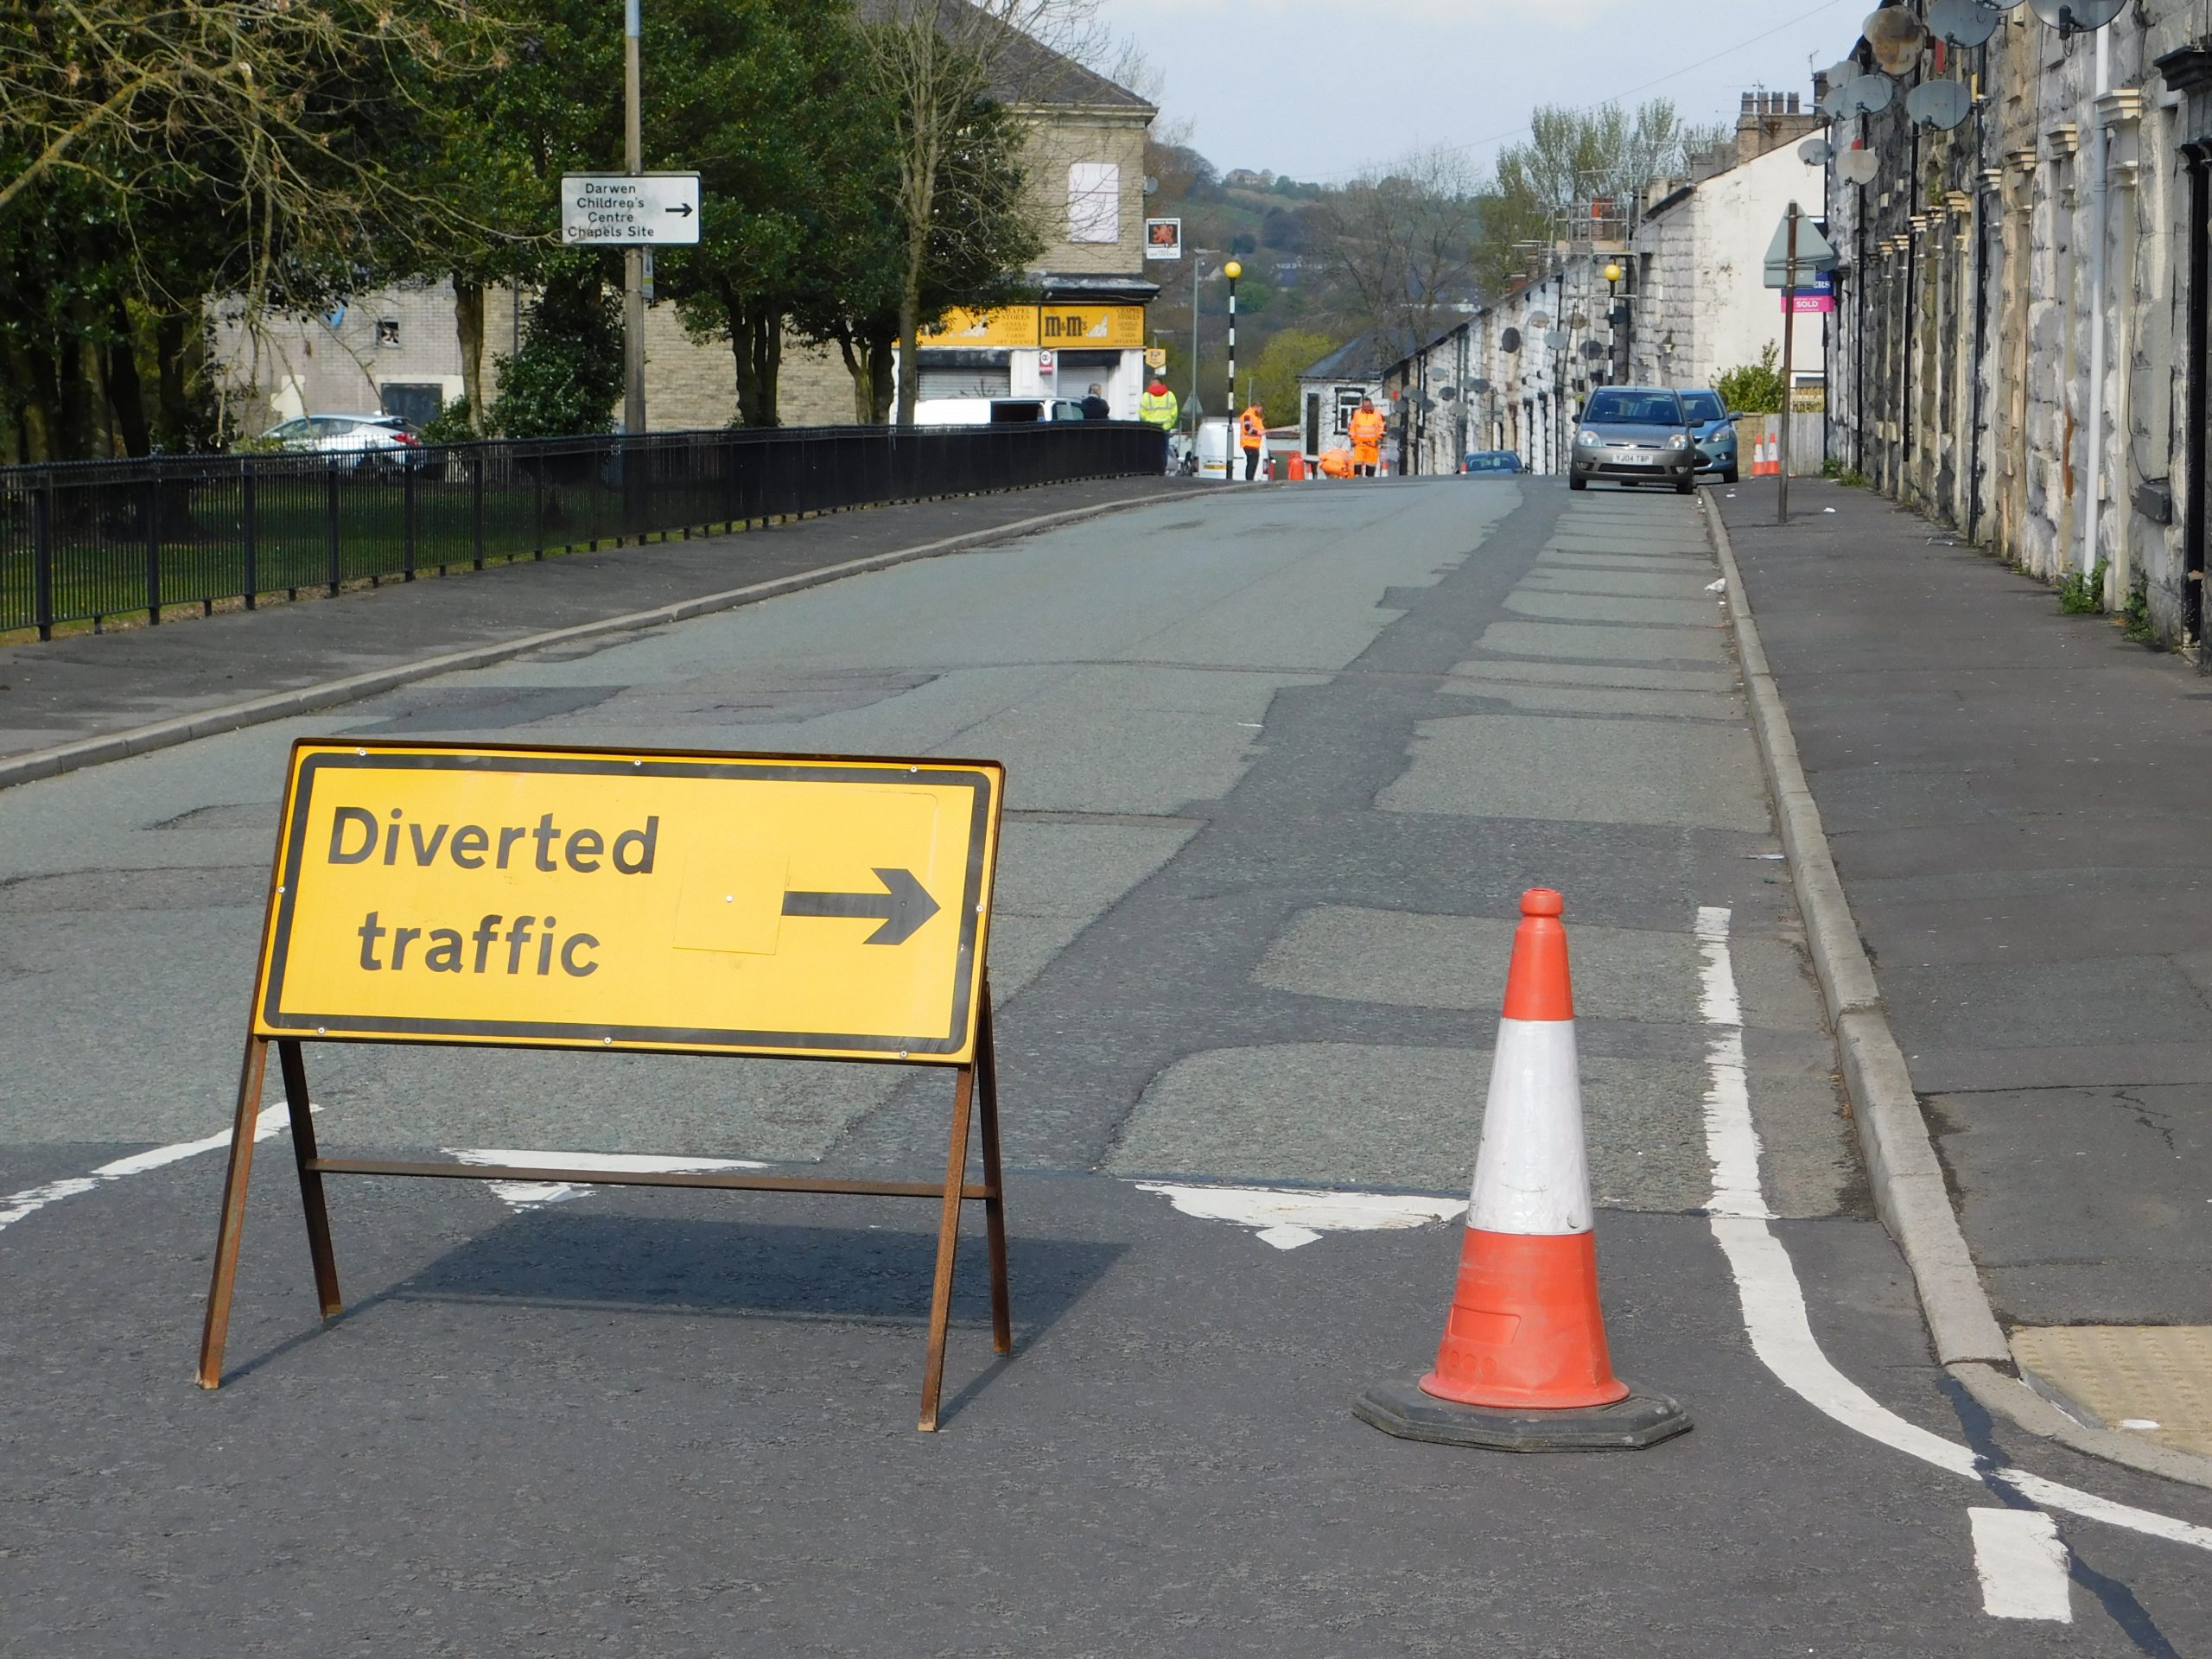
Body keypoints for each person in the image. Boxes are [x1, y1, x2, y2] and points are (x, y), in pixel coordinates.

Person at [1347, 397, 1385, 479]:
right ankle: (1357, 479)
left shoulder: (1378, 414)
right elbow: (1351, 427)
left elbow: (1382, 427)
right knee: (1357, 463)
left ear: (1371, 405)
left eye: (1368, 406)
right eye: (1365, 406)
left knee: (1371, 465)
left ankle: (1369, 480)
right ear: (1362, 406)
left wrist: (1380, 438)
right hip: (1359, 444)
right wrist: (1352, 439)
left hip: (1372, 445)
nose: (1366, 408)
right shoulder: (1357, 413)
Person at [1237, 401, 1267, 480]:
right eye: (1260, 409)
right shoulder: (1248, 415)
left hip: (1253, 444)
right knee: (1252, 463)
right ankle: (1249, 480)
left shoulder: (1255, 417)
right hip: (1249, 443)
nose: (1261, 412)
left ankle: (1250, 479)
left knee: (1253, 463)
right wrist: (1258, 432)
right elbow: (1247, 429)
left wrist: (1262, 431)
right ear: (1256, 407)